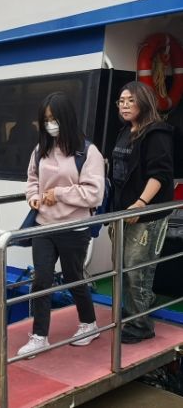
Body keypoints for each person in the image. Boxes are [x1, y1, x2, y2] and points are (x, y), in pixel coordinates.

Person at [16, 92, 105, 357]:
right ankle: (39, 336)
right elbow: (32, 179)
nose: (50, 125)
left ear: (66, 118)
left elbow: (94, 194)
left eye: (53, 119)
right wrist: (33, 197)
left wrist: (60, 194)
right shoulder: (40, 149)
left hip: (74, 228)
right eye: (45, 120)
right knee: (41, 281)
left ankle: (89, 324)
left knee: (73, 277)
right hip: (44, 226)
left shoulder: (87, 152)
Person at [110, 81, 174, 344]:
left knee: (137, 269)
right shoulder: (125, 131)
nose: (124, 106)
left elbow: (160, 174)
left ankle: (141, 325)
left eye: (130, 101)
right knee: (123, 266)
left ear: (144, 102)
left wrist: (141, 203)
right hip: (121, 214)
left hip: (145, 215)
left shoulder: (156, 133)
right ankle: (133, 311)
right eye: (121, 101)